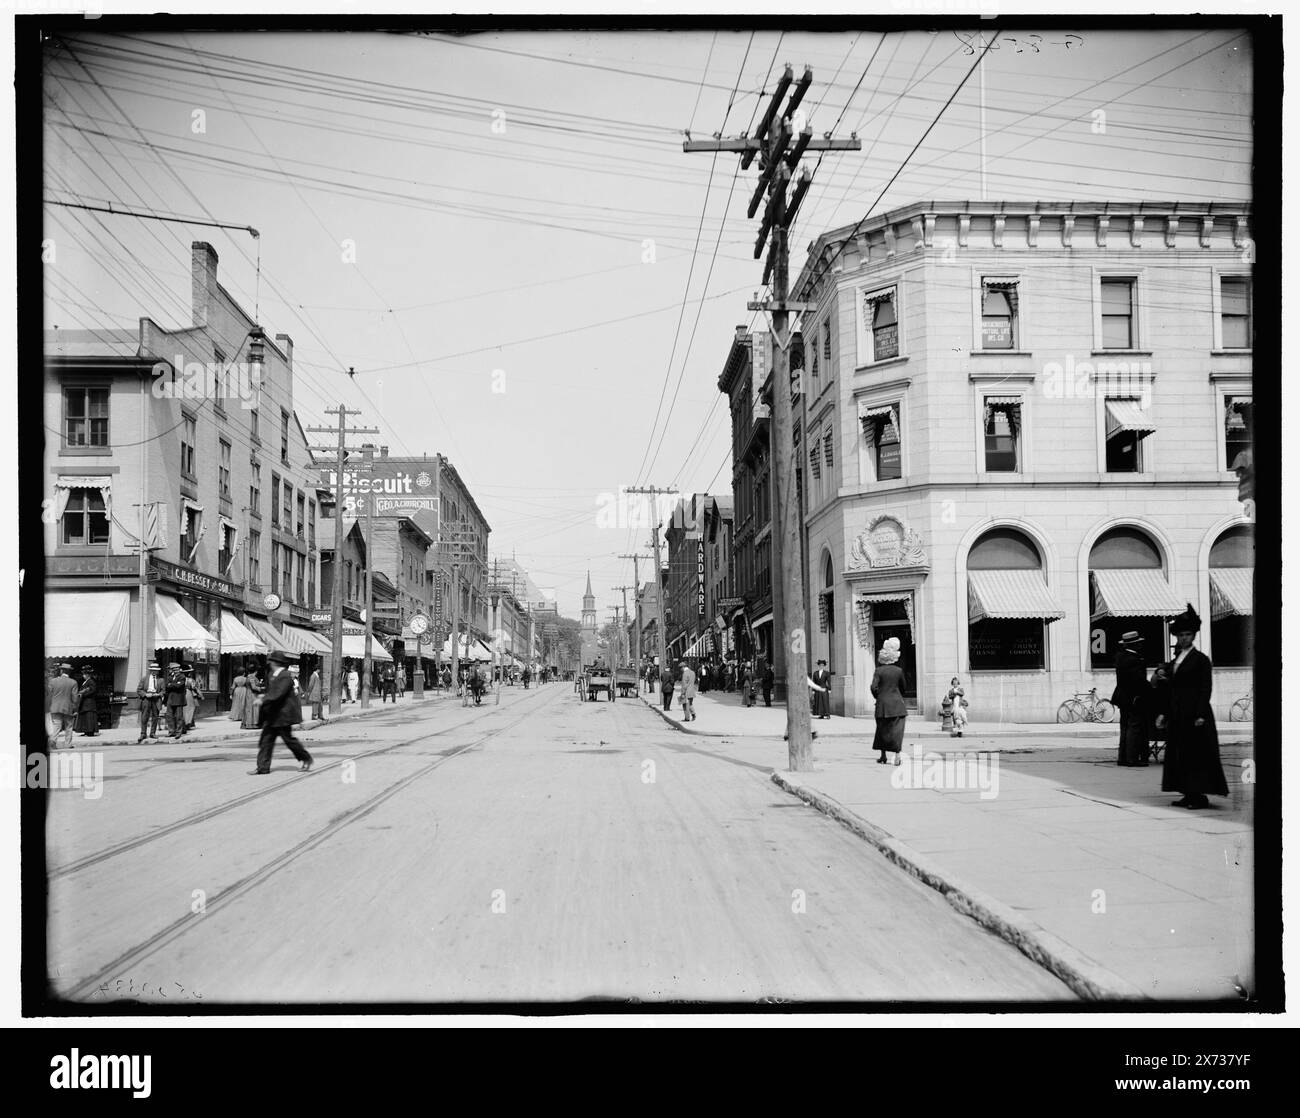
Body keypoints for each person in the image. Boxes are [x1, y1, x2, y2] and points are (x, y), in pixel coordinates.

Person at [1154, 605, 1228, 810]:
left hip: (1195, 715)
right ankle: (1186, 793)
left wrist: (1200, 714)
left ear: (1193, 635)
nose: (1184, 638)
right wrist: (1164, 712)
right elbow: (1171, 688)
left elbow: (1206, 688)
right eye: (1181, 635)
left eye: (1188, 634)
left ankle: (1198, 796)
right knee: (1180, 754)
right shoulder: (1178, 659)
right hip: (1178, 714)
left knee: (1196, 755)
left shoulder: (1201, 660)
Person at [251, 651, 313, 775]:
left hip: (283, 715)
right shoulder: (272, 674)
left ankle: (306, 758)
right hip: (272, 715)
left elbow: (278, 694)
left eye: (271, 661)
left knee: (289, 740)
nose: (269, 663)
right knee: (266, 741)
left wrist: (263, 699)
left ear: (275, 663)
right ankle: (262, 767)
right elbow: (272, 692)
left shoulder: (285, 676)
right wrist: (265, 695)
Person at [1112, 632, 1150, 766]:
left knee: (1124, 727)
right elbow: (1138, 681)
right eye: (1138, 643)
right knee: (1134, 728)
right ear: (1134, 644)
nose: (1140, 645)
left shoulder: (1120, 657)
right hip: (1134, 698)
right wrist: (1149, 689)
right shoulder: (1135, 659)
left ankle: (1122, 757)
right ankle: (1132, 758)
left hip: (1122, 698)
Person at [870, 638, 908, 765]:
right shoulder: (899, 671)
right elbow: (904, 687)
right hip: (897, 705)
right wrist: (898, 696)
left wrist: (879, 697)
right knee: (897, 731)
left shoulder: (878, 671)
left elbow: (873, 687)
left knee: (882, 730)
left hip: (882, 705)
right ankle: (897, 755)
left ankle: (883, 756)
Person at [48, 663, 79, 749]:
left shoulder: (52, 681)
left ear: (61, 671)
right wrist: (75, 708)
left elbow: (48, 695)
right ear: (69, 672)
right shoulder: (73, 682)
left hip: (55, 707)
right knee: (69, 726)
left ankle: (53, 741)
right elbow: (75, 697)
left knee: (56, 726)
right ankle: (68, 744)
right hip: (68, 708)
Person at [135, 660, 165, 742]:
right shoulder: (144, 679)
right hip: (146, 699)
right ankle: (143, 733)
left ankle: (152, 733)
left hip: (156, 699)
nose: (155, 672)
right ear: (150, 670)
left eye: (156, 670)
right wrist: (145, 694)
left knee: (155, 717)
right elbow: (139, 690)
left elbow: (163, 691)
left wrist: (158, 694)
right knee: (144, 716)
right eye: (153, 670)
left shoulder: (161, 680)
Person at [164, 665, 188, 739]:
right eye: (174, 670)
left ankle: (178, 732)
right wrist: (173, 684)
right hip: (170, 699)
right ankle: (171, 731)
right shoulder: (170, 677)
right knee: (169, 716)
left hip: (178, 699)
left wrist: (171, 684)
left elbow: (179, 686)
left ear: (179, 670)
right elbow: (166, 686)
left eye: (177, 670)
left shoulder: (182, 677)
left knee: (178, 717)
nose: (175, 671)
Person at [76, 667, 100, 737]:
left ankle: (90, 731)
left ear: (87, 675)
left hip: (89, 702)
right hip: (85, 702)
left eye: (84, 674)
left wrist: (83, 694)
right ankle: (86, 731)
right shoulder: (85, 682)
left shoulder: (91, 681)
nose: (83, 675)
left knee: (89, 717)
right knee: (85, 717)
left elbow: (93, 690)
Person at [183, 665, 203, 732]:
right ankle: (188, 723)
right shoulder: (190, 680)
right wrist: (200, 695)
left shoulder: (180, 678)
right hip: (188, 693)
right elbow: (195, 688)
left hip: (181, 694)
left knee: (184, 709)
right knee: (190, 708)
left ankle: (184, 723)